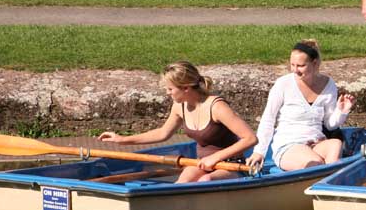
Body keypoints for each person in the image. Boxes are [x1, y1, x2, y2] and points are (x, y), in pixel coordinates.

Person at [98, 61, 257, 183]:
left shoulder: (217, 107)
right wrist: (122, 140)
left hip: (231, 165)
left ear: (186, 88)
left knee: (206, 180)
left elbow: (250, 138)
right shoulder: (179, 106)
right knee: (183, 181)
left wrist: (215, 157)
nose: (167, 93)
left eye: (170, 89)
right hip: (201, 163)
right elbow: (163, 133)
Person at [246, 40, 355, 172]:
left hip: (315, 143)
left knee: (335, 144)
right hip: (289, 145)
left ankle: (332, 180)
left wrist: (341, 111)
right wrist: (259, 152)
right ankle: (326, 177)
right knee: (316, 162)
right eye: (292, 65)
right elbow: (268, 119)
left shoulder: (328, 84)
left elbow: (330, 124)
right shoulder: (283, 84)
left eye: (301, 66)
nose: (295, 70)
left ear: (314, 63)